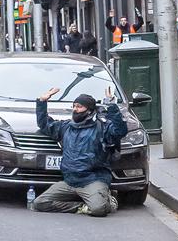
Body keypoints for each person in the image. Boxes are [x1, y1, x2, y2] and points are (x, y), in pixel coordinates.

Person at [32, 87, 127, 216]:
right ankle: (82, 207)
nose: (75, 109)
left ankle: (107, 200)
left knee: (98, 210)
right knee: (40, 203)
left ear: (89, 110)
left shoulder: (102, 128)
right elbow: (44, 124)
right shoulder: (66, 127)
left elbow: (119, 130)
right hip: (70, 181)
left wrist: (111, 105)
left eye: (79, 106)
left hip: (93, 180)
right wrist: (42, 102)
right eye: (74, 106)